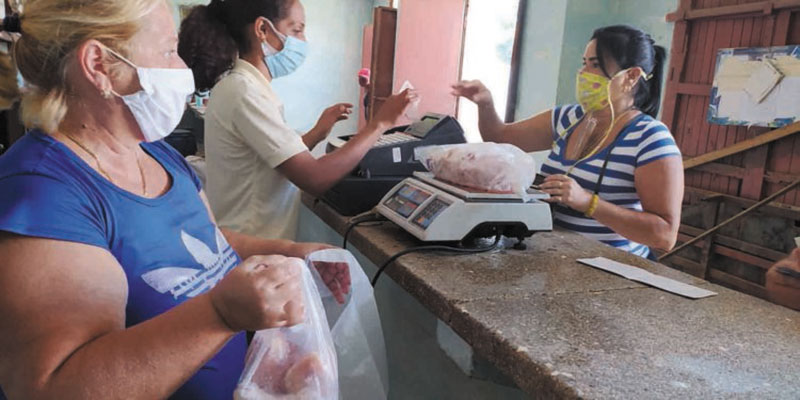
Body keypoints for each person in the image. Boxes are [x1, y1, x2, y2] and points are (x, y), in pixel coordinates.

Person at [0, 1, 349, 398]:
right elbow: (54, 389)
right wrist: (219, 315)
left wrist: (290, 253)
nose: (182, 69)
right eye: (168, 51)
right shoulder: (42, 195)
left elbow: (212, 242)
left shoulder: (153, 152)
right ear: (98, 64)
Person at [178, 0, 416, 241]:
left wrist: (316, 134)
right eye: (297, 30)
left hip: (248, 241)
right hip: (250, 245)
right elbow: (315, 178)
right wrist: (380, 124)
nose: (303, 41)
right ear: (263, 30)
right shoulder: (244, 92)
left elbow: (267, 160)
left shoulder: (241, 85)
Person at [453, 25, 683, 258]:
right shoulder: (567, 119)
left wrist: (588, 203)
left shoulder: (650, 138)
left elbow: (664, 236)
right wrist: (486, 104)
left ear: (631, 76)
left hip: (609, 270)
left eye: (595, 65)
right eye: (584, 63)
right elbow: (500, 138)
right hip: (554, 256)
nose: (584, 73)